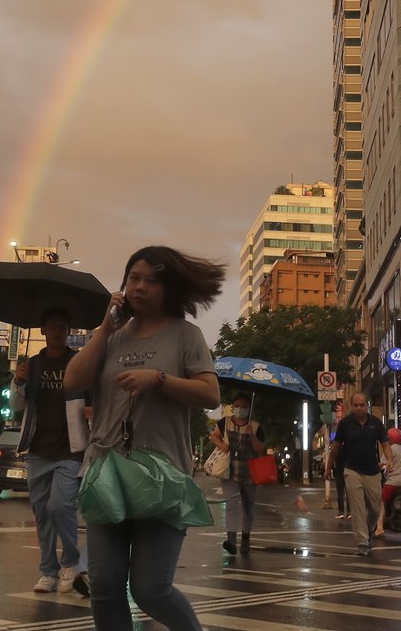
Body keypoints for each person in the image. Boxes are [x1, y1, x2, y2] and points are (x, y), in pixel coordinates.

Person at [64, 246, 221, 631]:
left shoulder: (186, 335)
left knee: (151, 588)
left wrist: (159, 379)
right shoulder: (112, 338)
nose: (141, 286)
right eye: (134, 277)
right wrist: (104, 329)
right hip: (106, 474)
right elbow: (72, 381)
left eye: (152, 280)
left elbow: (210, 394)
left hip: (163, 476)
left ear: (169, 288)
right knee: (103, 583)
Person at [11, 307, 89, 595]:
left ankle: (71, 561)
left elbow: (92, 397)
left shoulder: (79, 362)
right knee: (42, 512)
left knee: (60, 505)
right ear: (43, 331)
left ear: (68, 330)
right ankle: (48, 571)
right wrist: (18, 382)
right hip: (37, 448)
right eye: (52, 326)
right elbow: (17, 406)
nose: (57, 331)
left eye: (62, 326)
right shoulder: (31, 365)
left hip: (71, 448)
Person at [209, 391, 272, 553]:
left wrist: (252, 436)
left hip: (251, 474)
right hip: (230, 472)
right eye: (236, 406)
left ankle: (246, 537)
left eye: (243, 407)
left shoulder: (256, 427)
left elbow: (260, 450)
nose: (239, 409)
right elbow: (214, 436)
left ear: (249, 408)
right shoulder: (225, 422)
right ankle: (231, 541)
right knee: (231, 506)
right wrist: (222, 446)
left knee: (248, 508)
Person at [329, 392, 390, 556]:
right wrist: (328, 468)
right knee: (358, 508)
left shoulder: (376, 423)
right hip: (352, 470)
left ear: (367, 405)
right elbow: (335, 447)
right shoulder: (345, 424)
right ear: (351, 406)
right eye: (355, 405)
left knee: (376, 508)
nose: (359, 408)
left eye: (362, 405)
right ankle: (363, 543)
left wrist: (389, 461)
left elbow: (385, 443)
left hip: (372, 471)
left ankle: (370, 530)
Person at [377, 427, 401, 536]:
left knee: (380, 501)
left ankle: (379, 527)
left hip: (394, 481)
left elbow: (382, 464)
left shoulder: (390, 449)